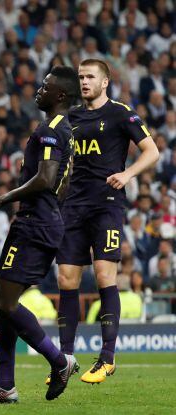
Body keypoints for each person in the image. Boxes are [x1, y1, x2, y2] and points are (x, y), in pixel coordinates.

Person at [0, 67, 79, 403]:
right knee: (3, 303)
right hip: (37, 220)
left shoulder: (50, 130)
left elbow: (46, 179)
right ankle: (5, 386)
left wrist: (3, 198)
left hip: (35, 223)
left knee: (4, 301)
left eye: (45, 86)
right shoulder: (64, 131)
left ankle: (60, 362)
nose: (38, 89)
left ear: (60, 95)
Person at [53, 59, 159, 384]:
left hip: (107, 206)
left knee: (103, 274)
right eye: (81, 77)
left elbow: (151, 151)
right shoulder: (69, 118)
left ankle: (107, 358)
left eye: (90, 77)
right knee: (67, 279)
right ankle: (65, 359)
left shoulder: (119, 113)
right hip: (73, 207)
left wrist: (127, 174)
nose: (84, 82)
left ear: (105, 82)